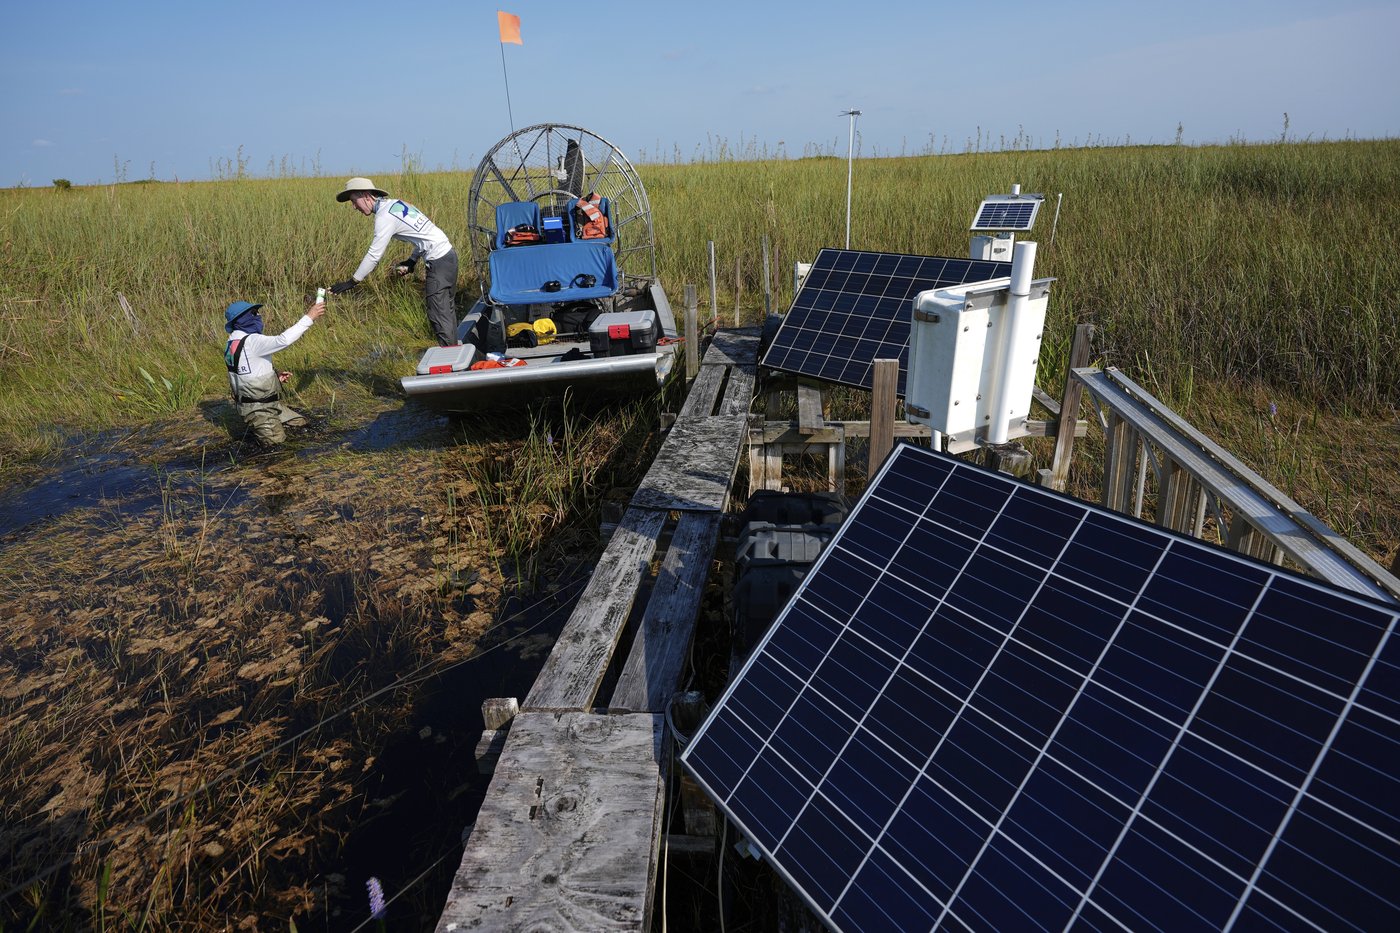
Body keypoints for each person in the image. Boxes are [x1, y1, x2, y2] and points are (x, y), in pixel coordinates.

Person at [329, 177, 459, 346]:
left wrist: (352, 282)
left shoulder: (384, 216)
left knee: (438, 315)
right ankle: (454, 351)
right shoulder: (396, 204)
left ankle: (450, 362)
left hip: (439, 263)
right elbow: (424, 235)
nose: (354, 207)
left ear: (367, 196)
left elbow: (374, 255)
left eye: (354, 201)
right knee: (446, 311)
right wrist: (412, 261)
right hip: (448, 256)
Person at [223, 298, 325, 446]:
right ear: (243, 319)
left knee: (300, 424)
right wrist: (310, 317)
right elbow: (283, 340)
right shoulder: (252, 341)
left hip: (259, 404)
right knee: (278, 449)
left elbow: (244, 371)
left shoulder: (232, 342)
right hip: (260, 409)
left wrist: (274, 377)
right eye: (254, 313)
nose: (258, 316)